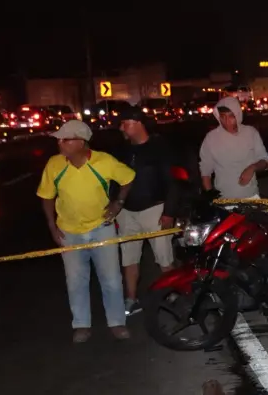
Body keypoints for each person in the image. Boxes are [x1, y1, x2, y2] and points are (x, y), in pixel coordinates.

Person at [36, 119, 136, 343]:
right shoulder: (54, 164)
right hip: (69, 232)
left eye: (65, 139)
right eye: (59, 139)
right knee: (76, 280)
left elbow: (128, 177)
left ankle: (117, 322)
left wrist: (118, 202)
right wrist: (52, 227)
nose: (60, 143)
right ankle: (81, 324)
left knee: (110, 278)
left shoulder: (104, 161)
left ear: (81, 143)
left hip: (101, 228)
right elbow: (46, 197)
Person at [117, 106, 179, 316]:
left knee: (164, 258)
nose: (121, 128)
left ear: (138, 123)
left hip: (155, 209)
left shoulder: (160, 147)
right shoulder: (123, 151)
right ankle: (131, 299)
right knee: (129, 259)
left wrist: (169, 211)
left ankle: (172, 293)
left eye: (126, 123)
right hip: (127, 213)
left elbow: (172, 182)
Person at [198, 96, 267, 199]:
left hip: (251, 197)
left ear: (238, 115)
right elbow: (205, 171)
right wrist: (210, 198)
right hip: (224, 200)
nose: (226, 121)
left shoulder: (251, 133)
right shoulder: (211, 138)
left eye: (231, 116)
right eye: (223, 116)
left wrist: (252, 167)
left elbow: (264, 161)